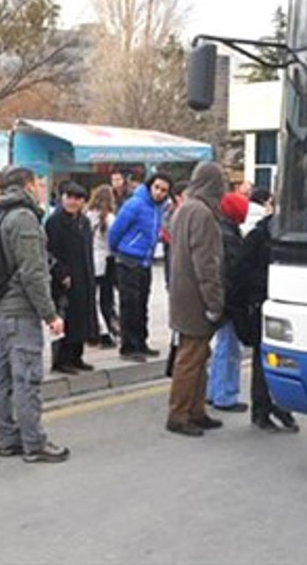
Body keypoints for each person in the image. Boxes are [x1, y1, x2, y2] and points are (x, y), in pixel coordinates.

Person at [0, 166, 69, 463]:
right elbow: (33, 272)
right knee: (27, 379)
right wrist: (50, 314)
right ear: (27, 185)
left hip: (2, 308)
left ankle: (8, 438)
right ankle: (33, 443)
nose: (41, 188)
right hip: (21, 310)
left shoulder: (0, 214)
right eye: (38, 182)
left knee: (1, 379)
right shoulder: (23, 218)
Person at [165, 162, 227, 437]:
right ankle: (179, 414)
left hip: (182, 292)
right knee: (190, 359)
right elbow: (207, 263)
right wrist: (214, 301)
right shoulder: (203, 213)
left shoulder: (184, 209)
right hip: (196, 297)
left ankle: (196, 410)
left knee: (199, 356)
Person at [233, 199, 298, 433]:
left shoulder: (294, 233)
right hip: (260, 303)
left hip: (283, 303)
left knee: (284, 358)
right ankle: (261, 409)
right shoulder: (259, 236)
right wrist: (270, 282)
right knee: (263, 359)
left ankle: (279, 405)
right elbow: (240, 273)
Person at [108, 171, 173, 362]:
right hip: (129, 259)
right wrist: (120, 250)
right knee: (130, 305)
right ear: (150, 186)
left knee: (142, 304)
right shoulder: (135, 204)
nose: (159, 192)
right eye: (157, 187)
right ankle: (128, 346)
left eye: (164, 190)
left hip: (145, 261)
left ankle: (141, 342)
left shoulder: (159, 208)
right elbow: (116, 230)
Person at [46, 182, 97, 374]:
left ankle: (77, 356)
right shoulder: (54, 222)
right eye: (69, 197)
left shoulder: (84, 222)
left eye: (78, 198)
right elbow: (49, 252)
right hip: (64, 279)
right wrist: (61, 273)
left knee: (82, 318)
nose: (72, 202)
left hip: (84, 276)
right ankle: (61, 360)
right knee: (66, 318)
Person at [206, 192, 250, 413]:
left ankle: (213, 391)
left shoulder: (220, 231)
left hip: (220, 298)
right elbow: (233, 271)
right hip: (230, 300)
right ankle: (225, 395)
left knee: (221, 346)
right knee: (229, 348)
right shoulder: (230, 237)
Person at [85, 184, 118, 349]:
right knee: (106, 300)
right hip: (106, 260)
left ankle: (94, 331)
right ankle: (105, 332)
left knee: (93, 299)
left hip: (90, 260)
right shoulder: (110, 218)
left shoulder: (87, 215)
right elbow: (114, 241)